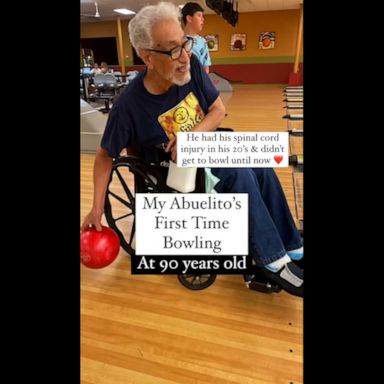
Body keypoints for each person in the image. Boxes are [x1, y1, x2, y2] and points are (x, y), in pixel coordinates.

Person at [81, 2, 303, 298]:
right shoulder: (128, 106)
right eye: (173, 50)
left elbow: (218, 110)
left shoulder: (192, 66)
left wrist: (192, 137)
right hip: (172, 169)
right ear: (146, 56)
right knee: (239, 174)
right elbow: (105, 155)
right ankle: (270, 260)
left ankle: (292, 245)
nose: (185, 56)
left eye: (185, 44)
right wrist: (96, 209)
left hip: (203, 146)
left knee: (259, 164)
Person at [181, 2, 211, 74]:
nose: (203, 19)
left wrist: (203, 81)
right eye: (199, 15)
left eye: (202, 16)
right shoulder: (178, 40)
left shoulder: (203, 42)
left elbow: (206, 67)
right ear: (189, 18)